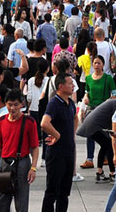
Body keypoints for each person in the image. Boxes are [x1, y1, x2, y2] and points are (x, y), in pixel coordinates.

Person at [0, 89, 39, 212]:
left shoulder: (29, 122)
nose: (12, 108)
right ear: (5, 104)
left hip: (22, 164)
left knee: (21, 202)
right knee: (2, 201)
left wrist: (33, 168)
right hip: (4, 163)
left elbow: (35, 147)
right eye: (9, 104)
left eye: (15, 105)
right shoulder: (1, 121)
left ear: (21, 104)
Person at [41, 74, 78, 212]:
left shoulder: (70, 103)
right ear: (61, 86)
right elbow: (44, 123)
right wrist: (57, 135)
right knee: (52, 191)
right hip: (56, 154)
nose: (73, 86)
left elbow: (75, 118)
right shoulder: (54, 103)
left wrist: (71, 135)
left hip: (68, 152)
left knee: (64, 192)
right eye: (70, 83)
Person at [82, 55, 116, 182]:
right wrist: (85, 97)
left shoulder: (108, 78)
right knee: (104, 143)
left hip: (104, 113)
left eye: (99, 63)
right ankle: (108, 172)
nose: (96, 65)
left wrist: (107, 102)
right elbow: (86, 91)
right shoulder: (88, 78)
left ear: (103, 65)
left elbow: (115, 94)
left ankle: (101, 171)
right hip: (91, 113)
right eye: (95, 63)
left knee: (106, 143)